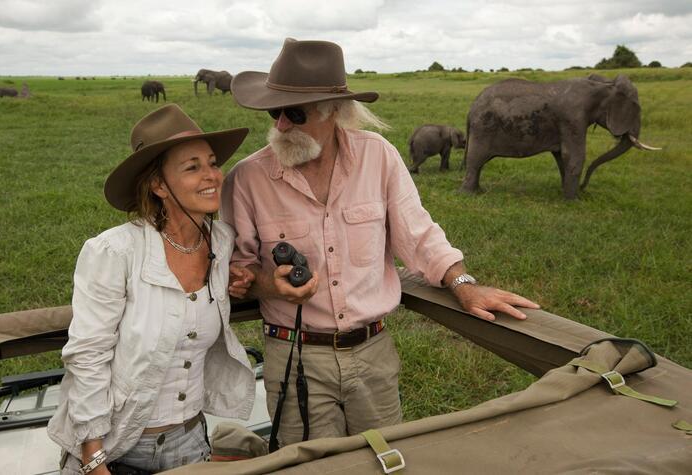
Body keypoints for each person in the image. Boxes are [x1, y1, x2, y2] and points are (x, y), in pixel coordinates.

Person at [221, 38, 540, 447]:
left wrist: (463, 286)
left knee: (384, 457)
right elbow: (240, 270)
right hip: (294, 356)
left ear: (334, 111)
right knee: (309, 467)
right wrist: (270, 284)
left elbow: (420, 236)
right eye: (274, 111)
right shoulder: (248, 179)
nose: (280, 125)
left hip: (372, 353)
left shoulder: (380, 158)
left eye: (295, 113)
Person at [47, 104, 257, 474]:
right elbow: (88, 356)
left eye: (211, 162)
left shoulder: (221, 243)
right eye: (192, 167)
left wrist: (248, 279)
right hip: (118, 446)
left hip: (192, 441)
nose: (212, 175)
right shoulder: (115, 252)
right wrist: (94, 460)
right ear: (159, 185)